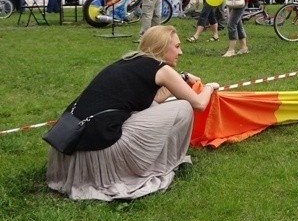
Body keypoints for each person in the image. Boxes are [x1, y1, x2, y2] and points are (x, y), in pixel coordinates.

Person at [46, 25, 221, 201]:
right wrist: (209, 87)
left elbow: (151, 102)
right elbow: (198, 104)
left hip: (70, 146)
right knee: (183, 107)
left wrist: (181, 78)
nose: (180, 52)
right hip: (99, 147)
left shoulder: (128, 62)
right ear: (161, 47)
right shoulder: (161, 68)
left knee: (151, 108)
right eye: (176, 46)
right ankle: (163, 162)